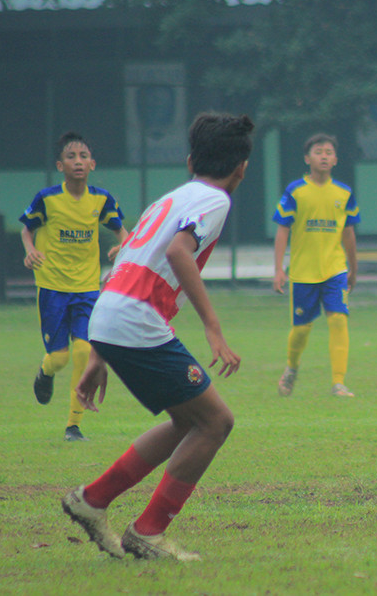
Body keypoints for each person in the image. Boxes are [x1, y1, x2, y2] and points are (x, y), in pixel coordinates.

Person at [61, 112, 254, 561]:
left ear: (190, 159)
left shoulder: (171, 198)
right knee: (216, 422)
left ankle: (91, 502)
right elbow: (177, 251)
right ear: (241, 167)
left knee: (188, 420)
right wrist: (212, 326)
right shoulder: (215, 199)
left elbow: (128, 256)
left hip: (112, 316)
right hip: (137, 320)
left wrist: (98, 354)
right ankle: (147, 531)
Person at [19, 131, 128, 441]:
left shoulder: (102, 199)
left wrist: (123, 247)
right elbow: (27, 230)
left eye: (83, 156)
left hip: (86, 288)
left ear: (92, 164)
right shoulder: (48, 198)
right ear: (60, 165)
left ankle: (73, 426)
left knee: (84, 351)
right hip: (52, 286)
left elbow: (124, 234)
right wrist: (30, 250)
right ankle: (46, 370)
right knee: (60, 358)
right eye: (71, 157)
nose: (77, 161)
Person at [272, 133, 360, 398]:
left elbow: (348, 233)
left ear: (335, 159)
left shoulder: (344, 193)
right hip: (303, 273)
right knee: (301, 330)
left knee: (338, 320)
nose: (324, 156)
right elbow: (282, 230)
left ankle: (338, 383)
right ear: (307, 158)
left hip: (334, 270)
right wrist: (279, 269)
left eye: (329, 152)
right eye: (319, 151)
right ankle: (291, 368)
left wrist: (353, 268)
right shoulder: (296, 191)